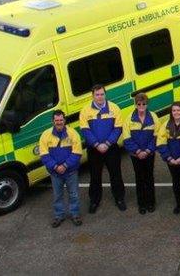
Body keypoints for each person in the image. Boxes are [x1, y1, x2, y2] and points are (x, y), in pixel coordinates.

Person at [78, 84, 126, 213]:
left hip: (111, 148)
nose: (100, 97)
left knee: (116, 174)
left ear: (105, 94)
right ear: (92, 96)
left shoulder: (114, 108)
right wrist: (97, 144)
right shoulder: (85, 110)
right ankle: (94, 200)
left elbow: (118, 128)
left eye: (102, 94)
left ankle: (119, 198)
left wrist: (108, 143)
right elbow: (85, 130)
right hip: (94, 149)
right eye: (97, 95)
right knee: (95, 176)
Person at [39, 110, 82, 227]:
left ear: (64, 120)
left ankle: (75, 214)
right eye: (56, 120)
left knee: (74, 194)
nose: (59, 122)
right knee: (57, 196)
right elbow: (44, 155)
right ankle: (59, 216)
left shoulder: (73, 133)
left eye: (61, 120)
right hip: (55, 173)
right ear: (53, 121)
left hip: (71, 171)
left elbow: (77, 153)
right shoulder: (45, 135)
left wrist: (65, 166)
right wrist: (55, 166)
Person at [123, 92, 158, 214]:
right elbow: (127, 138)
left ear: (147, 104)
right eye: (139, 104)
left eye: (144, 104)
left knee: (149, 177)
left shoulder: (153, 117)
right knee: (139, 178)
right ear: (135, 104)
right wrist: (138, 151)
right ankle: (141, 204)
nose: (141, 106)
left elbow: (156, 136)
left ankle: (151, 203)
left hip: (149, 154)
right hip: (135, 155)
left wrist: (148, 150)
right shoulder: (129, 118)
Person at [158, 101, 180, 214]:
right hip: (171, 160)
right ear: (171, 112)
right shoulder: (165, 125)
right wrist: (169, 158)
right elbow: (161, 143)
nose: (176, 112)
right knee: (175, 181)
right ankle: (178, 204)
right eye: (174, 110)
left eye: (178, 110)